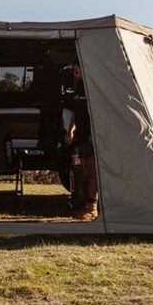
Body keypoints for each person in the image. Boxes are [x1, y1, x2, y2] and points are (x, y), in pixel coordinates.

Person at [64, 62, 98, 218]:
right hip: (80, 135)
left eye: (78, 70)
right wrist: (71, 130)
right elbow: (76, 112)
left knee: (92, 171)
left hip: (90, 135)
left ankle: (92, 207)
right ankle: (85, 204)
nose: (76, 73)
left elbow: (95, 112)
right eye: (75, 70)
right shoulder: (78, 87)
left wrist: (93, 133)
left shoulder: (91, 86)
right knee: (83, 171)